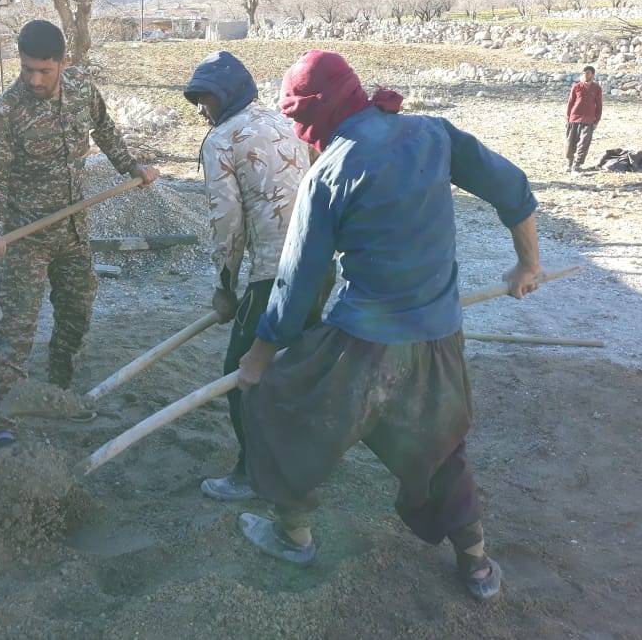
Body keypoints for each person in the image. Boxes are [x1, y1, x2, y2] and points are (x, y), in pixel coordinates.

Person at [233, 50, 541, 601]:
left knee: (285, 412)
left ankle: (294, 535)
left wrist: (258, 359)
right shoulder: (433, 133)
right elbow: (512, 188)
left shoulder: (329, 172)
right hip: (439, 335)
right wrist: (528, 265)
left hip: (363, 343)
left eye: (300, 120)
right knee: (441, 445)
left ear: (316, 116)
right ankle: (474, 562)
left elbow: (298, 279)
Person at [0, 19, 158, 447]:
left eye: (44, 71)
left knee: (77, 314)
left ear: (63, 62)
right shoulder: (5, 112)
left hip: (74, 232)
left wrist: (131, 167)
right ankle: (6, 421)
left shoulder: (81, 89)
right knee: (18, 328)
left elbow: (105, 127)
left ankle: (58, 389)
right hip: (26, 239)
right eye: (26, 70)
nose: (34, 80)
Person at [183, 50, 318, 501]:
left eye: (207, 99)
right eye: (198, 100)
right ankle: (304, 459)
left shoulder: (221, 140)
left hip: (274, 277)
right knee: (299, 367)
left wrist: (226, 289)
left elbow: (228, 224)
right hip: (320, 268)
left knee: (241, 372)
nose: (203, 109)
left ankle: (252, 472)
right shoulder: (285, 122)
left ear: (228, 96)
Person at [564, 65, 602, 176]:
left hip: (589, 120)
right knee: (570, 142)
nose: (585, 75)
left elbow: (599, 106)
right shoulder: (576, 87)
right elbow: (570, 103)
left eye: (588, 73)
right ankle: (569, 162)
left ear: (593, 75)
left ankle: (577, 165)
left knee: (584, 143)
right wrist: (567, 118)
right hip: (574, 119)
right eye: (584, 73)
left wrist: (596, 121)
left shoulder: (597, 89)